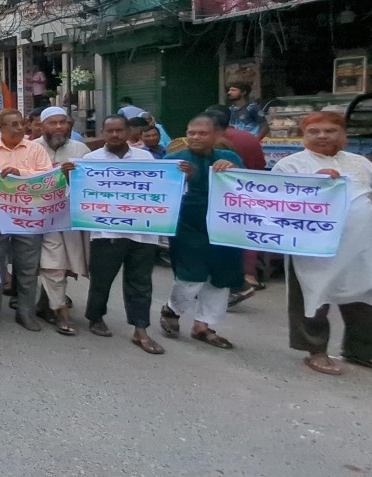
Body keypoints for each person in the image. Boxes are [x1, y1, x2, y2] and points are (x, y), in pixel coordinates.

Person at [272, 112, 372, 374]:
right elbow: (278, 204)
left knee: (363, 296)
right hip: (312, 247)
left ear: (344, 135)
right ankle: (315, 350)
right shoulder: (290, 165)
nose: (322, 136)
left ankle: (361, 351)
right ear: (304, 136)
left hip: (360, 245)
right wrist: (316, 183)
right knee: (312, 296)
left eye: (330, 131)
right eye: (314, 131)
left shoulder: (360, 162)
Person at [74, 115, 166, 354]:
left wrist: (181, 175)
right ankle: (95, 316)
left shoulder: (146, 158)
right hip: (106, 232)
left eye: (119, 130)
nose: (115, 135)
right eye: (110, 131)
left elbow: (161, 188)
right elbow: (80, 193)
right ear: (103, 133)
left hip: (142, 233)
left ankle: (141, 328)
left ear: (128, 132)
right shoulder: (90, 160)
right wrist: (69, 175)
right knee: (101, 280)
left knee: (141, 283)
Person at [162, 114, 242, 349]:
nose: (195, 137)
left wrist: (233, 170)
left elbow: (247, 187)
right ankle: (172, 310)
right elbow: (162, 193)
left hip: (225, 224)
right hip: (188, 224)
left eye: (202, 133)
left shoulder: (230, 157)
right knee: (191, 275)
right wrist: (181, 178)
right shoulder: (174, 159)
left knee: (220, 277)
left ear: (217, 136)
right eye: (191, 133)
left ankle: (204, 326)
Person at [0, 109, 54, 330]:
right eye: (13, 124)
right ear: (1, 128)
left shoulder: (36, 150)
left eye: (21, 124)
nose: (19, 128)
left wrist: (19, 173)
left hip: (29, 215)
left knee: (28, 266)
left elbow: (48, 178)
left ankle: (26, 312)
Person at [33, 107, 90, 335]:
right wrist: (54, 173)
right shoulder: (31, 149)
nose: (59, 127)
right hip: (42, 218)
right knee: (53, 263)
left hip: (73, 218)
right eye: (53, 123)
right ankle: (61, 311)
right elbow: (25, 180)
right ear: (42, 126)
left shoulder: (80, 150)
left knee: (68, 265)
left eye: (62, 122)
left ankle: (45, 303)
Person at [205, 104, 266, 300]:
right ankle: (249, 276)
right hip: (249, 192)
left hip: (223, 199)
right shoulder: (249, 137)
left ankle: (237, 283)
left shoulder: (217, 145)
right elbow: (260, 166)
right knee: (245, 233)